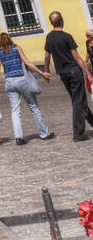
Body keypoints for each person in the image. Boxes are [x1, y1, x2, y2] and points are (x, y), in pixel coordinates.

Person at [0, 32, 53, 144]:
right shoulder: (16, 47)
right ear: (9, 39)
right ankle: (44, 133)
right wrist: (42, 73)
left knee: (15, 110)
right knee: (34, 107)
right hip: (22, 80)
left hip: (9, 82)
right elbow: (27, 62)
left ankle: (18, 137)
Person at [42, 11, 93, 142]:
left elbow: (47, 56)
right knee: (78, 100)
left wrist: (46, 71)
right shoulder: (67, 37)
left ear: (51, 22)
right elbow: (76, 57)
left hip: (63, 73)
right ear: (62, 21)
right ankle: (79, 133)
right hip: (74, 71)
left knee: (78, 99)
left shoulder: (49, 38)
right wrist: (88, 73)